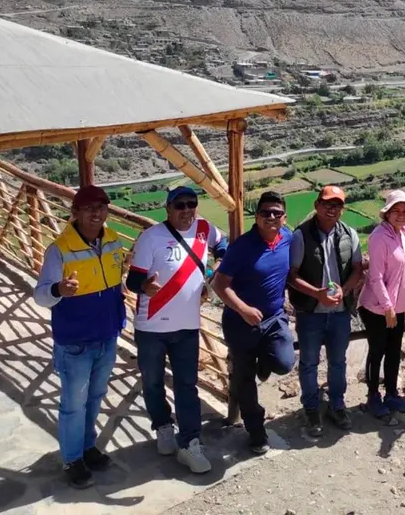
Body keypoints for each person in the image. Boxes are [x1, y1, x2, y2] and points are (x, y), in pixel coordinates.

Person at [125, 187, 227, 473]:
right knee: (153, 382)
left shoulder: (205, 228)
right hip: (151, 326)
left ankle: (190, 442)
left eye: (191, 204)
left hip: (187, 326)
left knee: (187, 385)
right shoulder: (151, 237)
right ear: (167, 208)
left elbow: (224, 245)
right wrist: (144, 287)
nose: (186, 211)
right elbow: (133, 281)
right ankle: (163, 426)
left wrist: (213, 269)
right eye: (179, 205)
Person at [33, 185, 126, 489]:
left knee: (96, 397)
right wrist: (59, 290)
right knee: (73, 404)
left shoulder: (112, 241)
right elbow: (41, 296)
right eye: (89, 208)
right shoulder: (59, 249)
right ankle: (73, 459)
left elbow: (114, 281)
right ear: (75, 213)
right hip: (75, 341)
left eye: (101, 206)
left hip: (107, 335)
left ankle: (88, 447)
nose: (97, 212)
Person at [211, 191, 296, 454]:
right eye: (265, 213)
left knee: (284, 363)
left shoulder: (288, 239)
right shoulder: (242, 246)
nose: (271, 217)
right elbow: (219, 284)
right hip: (240, 322)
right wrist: (244, 309)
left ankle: (264, 362)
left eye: (276, 213)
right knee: (244, 380)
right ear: (256, 217)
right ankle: (256, 432)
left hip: (273, 319)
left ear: (284, 217)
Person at [287, 185, 364, 436]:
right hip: (310, 312)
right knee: (309, 362)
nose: (332, 209)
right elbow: (292, 276)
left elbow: (357, 269)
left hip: (340, 312)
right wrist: (316, 293)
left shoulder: (349, 234)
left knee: (338, 362)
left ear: (343, 209)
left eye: (338, 205)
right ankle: (311, 409)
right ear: (317, 205)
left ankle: (337, 405)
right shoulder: (301, 236)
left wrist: (345, 289)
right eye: (328, 204)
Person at [358, 190, 405, 417]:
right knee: (378, 351)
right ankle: (373, 396)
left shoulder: (403, 232)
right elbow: (375, 276)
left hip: (399, 305)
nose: (401, 215)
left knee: (394, 351)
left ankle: (391, 394)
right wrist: (387, 307)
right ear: (387, 213)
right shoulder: (378, 236)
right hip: (377, 307)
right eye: (396, 211)